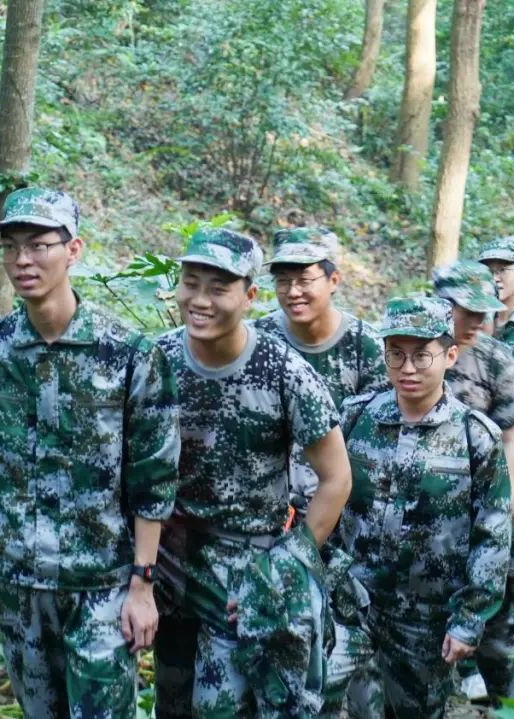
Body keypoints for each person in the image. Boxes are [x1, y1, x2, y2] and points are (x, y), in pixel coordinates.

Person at [0, 188, 181, 717]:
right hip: (16, 585)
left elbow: (154, 479)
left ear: (73, 250)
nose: (22, 260)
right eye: (11, 247)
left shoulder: (128, 353)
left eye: (38, 245)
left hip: (101, 585)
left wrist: (142, 585)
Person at [152, 227, 352, 719]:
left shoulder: (283, 371)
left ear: (249, 296)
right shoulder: (155, 360)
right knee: (172, 704)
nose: (200, 300)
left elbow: (336, 478)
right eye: (190, 284)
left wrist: (288, 563)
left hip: (247, 571)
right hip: (168, 566)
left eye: (218, 288)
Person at [340, 297, 511, 718]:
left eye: (422, 355)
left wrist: (469, 618)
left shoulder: (475, 436)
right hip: (354, 603)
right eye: (396, 354)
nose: (408, 368)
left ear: (450, 356)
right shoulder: (356, 418)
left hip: (426, 618)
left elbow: (492, 533)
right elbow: (320, 497)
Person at [254, 226, 388, 719]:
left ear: (333, 280)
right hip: (277, 518)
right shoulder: (261, 340)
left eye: (305, 279)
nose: (294, 291)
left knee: (356, 646)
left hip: (351, 518)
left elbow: (381, 436)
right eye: (283, 280)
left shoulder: (366, 347)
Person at [432, 261, 514, 700]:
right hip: (420, 512)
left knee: (498, 618)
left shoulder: (496, 359)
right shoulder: (412, 351)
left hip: (479, 506)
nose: (478, 321)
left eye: (484, 313)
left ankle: (513, 703)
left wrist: (509, 497)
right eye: (469, 311)